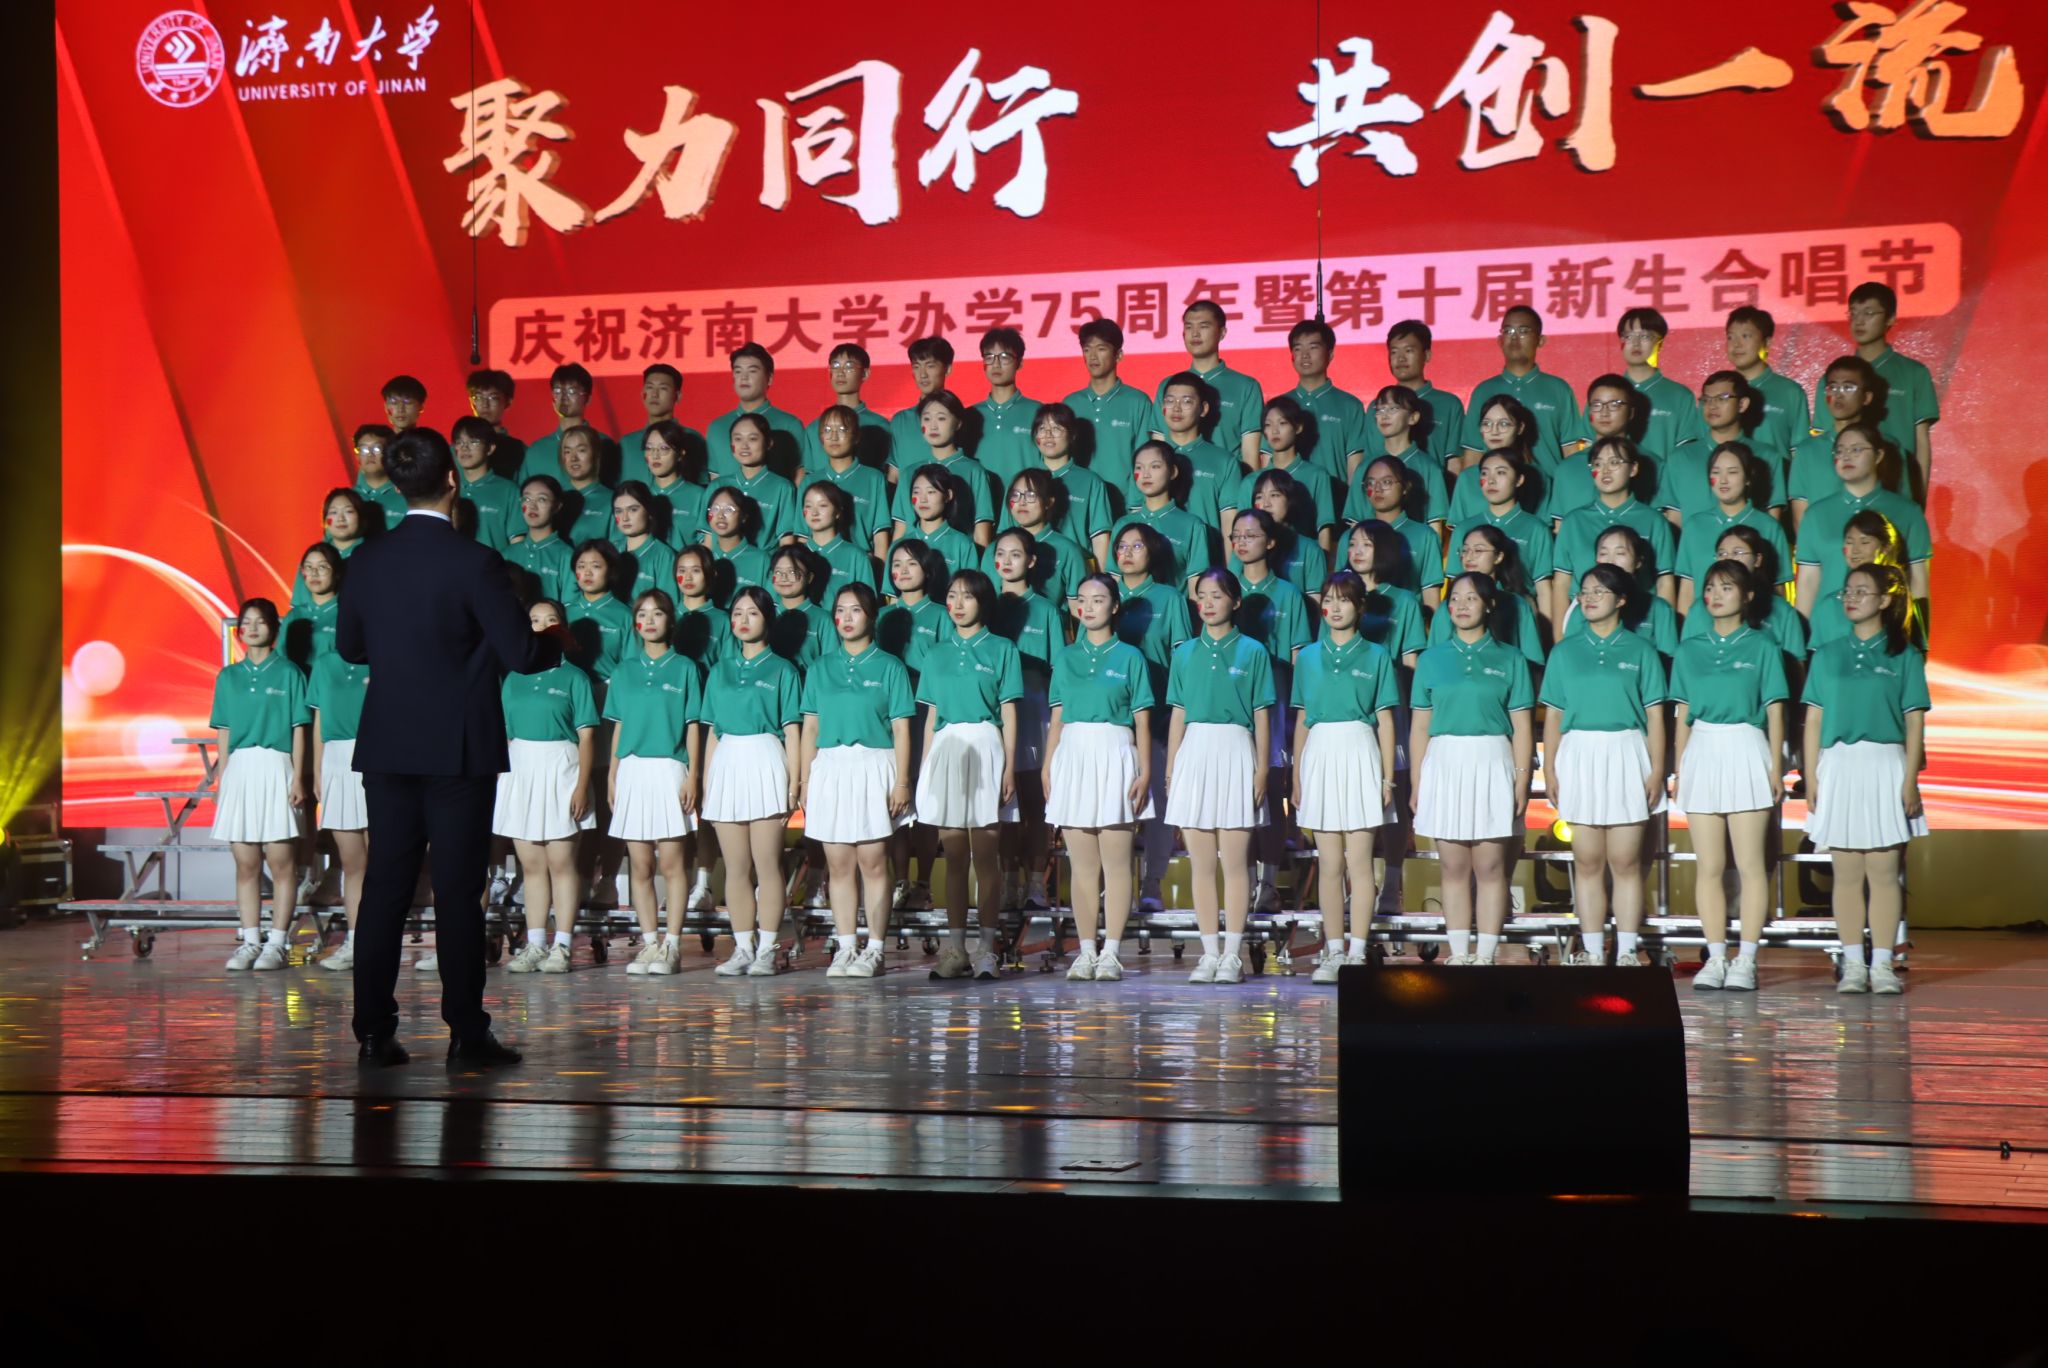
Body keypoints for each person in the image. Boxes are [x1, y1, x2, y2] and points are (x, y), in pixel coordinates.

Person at [336, 427, 558, 1066]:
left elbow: (350, 647)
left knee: (385, 888)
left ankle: (374, 1032)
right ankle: (465, 1031)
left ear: (398, 485)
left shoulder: (368, 560)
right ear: (453, 482)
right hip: (458, 748)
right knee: (458, 892)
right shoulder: (474, 561)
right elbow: (522, 652)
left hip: (389, 744)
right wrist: (558, 640)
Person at [1803, 562, 1929, 995]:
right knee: (1846, 873)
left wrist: (1909, 779)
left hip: (1885, 764)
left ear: (1885, 600)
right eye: (1847, 591)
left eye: (1862, 591)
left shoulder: (1904, 655)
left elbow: (1914, 721)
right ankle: (1853, 963)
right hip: (1839, 765)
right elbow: (1813, 719)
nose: (1851, 598)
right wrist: (1811, 775)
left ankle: (1882, 965)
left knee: (1884, 872)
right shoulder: (1828, 654)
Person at [1542, 565, 1669, 968]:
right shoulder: (1565, 651)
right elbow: (1553, 715)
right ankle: (1594, 951)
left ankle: (1627, 950)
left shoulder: (1641, 650)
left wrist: (1656, 770)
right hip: (1580, 754)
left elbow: (1655, 716)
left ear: (1622, 599)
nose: (1589, 598)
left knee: (1627, 862)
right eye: (1585, 591)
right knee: (1587, 861)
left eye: (1600, 591)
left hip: (1627, 752)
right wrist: (1550, 769)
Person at [1672, 559, 1789, 993]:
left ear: (1748, 595)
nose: (1715, 595)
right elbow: (1683, 714)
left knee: (1751, 865)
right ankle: (1716, 956)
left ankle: (1747, 959)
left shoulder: (1763, 646)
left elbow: (1775, 710)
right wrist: (1680, 768)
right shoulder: (1689, 649)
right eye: (1709, 587)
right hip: (1703, 750)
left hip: (1746, 746)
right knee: (1710, 865)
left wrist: (1775, 766)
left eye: (1726, 587)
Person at [1410, 572, 1534, 966]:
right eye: (1455, 598)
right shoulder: (1431, 660)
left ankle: (1486, 954)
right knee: (1453, 866)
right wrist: (1417, 782)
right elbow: (1420, 727)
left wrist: (1522, 779)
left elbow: (1522, 727)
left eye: (1471, 598)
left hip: (1492, 759)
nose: (1461, 605)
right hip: (1446, 762)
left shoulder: (1510, 658)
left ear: (1489, 605)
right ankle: (1459, 953)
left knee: (1491, 866)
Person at [802, 582, 916, 978]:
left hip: (874, 765)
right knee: (838, 865)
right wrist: (805, 781)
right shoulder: (820, 668)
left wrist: (902, 782)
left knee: (873, 862)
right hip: (831, 767)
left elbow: (901, 729)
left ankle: (876, 949)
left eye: (855, 610)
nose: (846, 618)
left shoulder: (890, 666)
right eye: (840, 610)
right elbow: (810, 727)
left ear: (871, 616)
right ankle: (846, 946)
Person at [1291, 569, 1400, 983]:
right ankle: (1333, 950)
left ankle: (1357, 951)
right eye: (1328, 600)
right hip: (1320, 753)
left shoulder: (1376, 656)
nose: (1335, 608)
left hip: (1359, 750)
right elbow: (1302, 719)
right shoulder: (1308, 657)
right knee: (1330, 863)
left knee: (1359, 862)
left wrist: (1387, 778)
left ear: (1360, 607)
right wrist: (1297, 776)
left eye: (1344, 600)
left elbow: (1385, 721)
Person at [1164, 569, 1273, 984]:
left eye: (1217, 595)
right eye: (1202, 596)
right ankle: (1209, 953)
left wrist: (1262, 768)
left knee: (1236, 863)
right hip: (1195, 751)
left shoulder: (1253, 651)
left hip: (1236, 749)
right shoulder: (1184, 653)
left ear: (1235, 601)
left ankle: (1232, 954)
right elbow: (1178, 713)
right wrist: (1172, 767)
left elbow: (1262, 714)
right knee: (1202, 864)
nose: (1208, 603)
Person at [1044, 574, 1155, 981]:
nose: (1089, 607)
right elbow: (1057, 718)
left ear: (1114, 606)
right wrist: (1048, 766)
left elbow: (1142, 721)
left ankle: (1111, 951)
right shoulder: (1066, 657)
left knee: (1117, 863)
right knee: (1083, 865)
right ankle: (1086, 949)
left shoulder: (1130, 657)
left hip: (1115, 753)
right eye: (1083, 600)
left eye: (1099, 599)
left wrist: (1145, 770)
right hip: (1073, 755)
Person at [916, 569, 1023, 980]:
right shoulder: (935, 654)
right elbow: (931, 718)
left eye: (967, 596)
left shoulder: (1002, 649)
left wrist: (1009, 766)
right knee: (955, 858)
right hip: (947, 748)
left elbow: (1009, 712)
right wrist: (925, 768)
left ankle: (986, 949)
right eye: (952, 595)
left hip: (985, 745)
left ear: (983, 601)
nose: (957, 604)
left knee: (986, 856)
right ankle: (956, 948)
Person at [697, 587, 804, 977]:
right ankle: (742, 947)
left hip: (766, 760)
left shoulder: (783, 670)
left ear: (767, 620)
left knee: (768, 864)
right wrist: (707, 781)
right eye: (737, 613)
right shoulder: (720, 670)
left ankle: (767, 949)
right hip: (728, 762)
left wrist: (794, 783)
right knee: (736, 867)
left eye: (753, 613)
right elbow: (712, 732)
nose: (743, 620)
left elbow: (792, 731)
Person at [494, 598, 598, 975]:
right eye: (534, 620)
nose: (541, 626)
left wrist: (581, 786)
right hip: (521, 770)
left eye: (550, 619)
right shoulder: (513, 677)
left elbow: (587, 737)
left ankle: (563, 945)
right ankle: (535, 943)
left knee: (562, 864)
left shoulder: (575, 678)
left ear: (562, 627)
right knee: (532, 865)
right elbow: (505, 735)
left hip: (561, 769)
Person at [609, 588, 704, 977]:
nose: (649, 620)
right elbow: (618, 726)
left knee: (673, 864)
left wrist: (693, 775)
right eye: (643, 614)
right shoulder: (623, 671)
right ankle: (650, 942)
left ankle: (672, 945)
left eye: (658, 613)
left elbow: (692, 725)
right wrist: (613, 774)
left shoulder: (685, 668)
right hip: (632, 770)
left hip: (669, 768)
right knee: (640, 863)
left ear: (670, 620)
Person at [214, 598, 310, 973]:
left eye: (260, 621)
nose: (252, 628)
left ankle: (278, 943)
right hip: (240, 769)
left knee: (282, 863)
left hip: (276, 766)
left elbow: (298, 729)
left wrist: (297, 776)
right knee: (246, 864)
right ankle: (250, 941)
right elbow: (224, 731)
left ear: (274, 628)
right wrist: (224, 779)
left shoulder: (289, 673)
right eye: (247, 622)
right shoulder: (228, 677)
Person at [1341, 520, 1428, 915]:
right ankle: (1354, 884)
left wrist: (1407, 712)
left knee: (1392, 793)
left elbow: (1410, 663)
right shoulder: (1339, 593)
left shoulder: (1403, 601)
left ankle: (1392, 884)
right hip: (1349, 711)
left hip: (1390, 708)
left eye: (1366, 544)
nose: (1357, 551)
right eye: (1352, 544)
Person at [1229, 509, 1314, 913]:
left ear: (1271, 542)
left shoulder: (1289, 594)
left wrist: (1296, 712)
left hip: (1275, 697)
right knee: (1238, 790)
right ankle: (1243, 882)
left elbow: (1299, 658)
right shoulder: (1225, 587)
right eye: (1236, 536)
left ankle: (1267, 883)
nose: (1242, 542)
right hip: (1233, 700)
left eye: (1251, 535)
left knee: (1273, 787)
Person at [1111, 524, 1194, 915]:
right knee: (1114, 805)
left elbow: (1183, 659)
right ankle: (1115, 886)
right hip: (1113, 716)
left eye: (1137, 546)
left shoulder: (1169, 598)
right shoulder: (1106, 593)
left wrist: (1176, 711)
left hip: (1158, 712)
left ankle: (1152, 882)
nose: (1127, 553)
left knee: (1157, 802)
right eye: (1121, 546)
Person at [989, 528, 1069, 912]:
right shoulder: (986, 605)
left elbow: (1060, 672)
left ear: (1032, 561)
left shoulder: (1047, 610)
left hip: (1035, 710)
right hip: (995, 711)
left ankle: (1036, 882)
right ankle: (1007, 881)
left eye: (1016, 554)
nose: (1006, 561)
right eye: (1000, 553)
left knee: (1035, 801)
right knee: (1003, 803)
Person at [1794, 422, 1931, 627]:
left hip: (1886, 633)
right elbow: (1807, 582)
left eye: (1856, 449)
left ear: (1879, 455)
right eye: (1840, 451)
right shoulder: (1816, 514)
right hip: (1828, 632)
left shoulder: (1907, 512)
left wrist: (1920, 636)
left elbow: (1918, 580)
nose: (1846, 456)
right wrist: (1800, 637)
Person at [876, 539, 949, 914]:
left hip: (925, 712)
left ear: (927, 570)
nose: (902, 571)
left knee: (924, 798)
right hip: (887, 712)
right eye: (896, 564)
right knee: (894, 798)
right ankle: (900, 880)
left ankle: (923, 882)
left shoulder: (940, 614)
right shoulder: (882, 616)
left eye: (911, 564)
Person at [1832, 282, 1938, 500]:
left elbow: (1921, 441)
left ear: (1890, 318)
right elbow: (1827, 437)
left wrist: (1919, 498)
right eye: (1853, 313)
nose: (1859, 321)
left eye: (1869, 313)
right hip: (1845, 491)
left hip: (1898, 487)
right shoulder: (1834, 379)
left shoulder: (1914, 373)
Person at [1553, 437, 1678, 611]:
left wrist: (1665, 623)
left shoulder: (1654, 521)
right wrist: (1562, 629)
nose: (1605, 470)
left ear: (1633, 469)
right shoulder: (1573, 522)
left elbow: (1664, 582)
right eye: (1598, 464)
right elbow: (1561, 584)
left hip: (1639, 616)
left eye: (1614, 463)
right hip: (1585, 618)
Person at [308, 630, 370, 972]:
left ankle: (381, 940)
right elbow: (319, 721)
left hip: (379, 758)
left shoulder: (384, 656)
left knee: (383, 861)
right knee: (352, 862)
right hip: (337, 761)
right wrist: (318, 772)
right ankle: (357, 941)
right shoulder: (325, 664)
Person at [1675, 443, 1792, 621]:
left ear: (1748, 477)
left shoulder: (1769, 526)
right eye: (1716, 472)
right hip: (1704, 627)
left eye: (1732, 472)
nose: (1723, 480)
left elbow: (1777, 588)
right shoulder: (1694, 526)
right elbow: (1687, 589)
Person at [1457, 306, 1580, 468]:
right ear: (1500, 340)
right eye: (1508, 331)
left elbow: (1571, 451)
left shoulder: (1559, 389)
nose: (1514, 338)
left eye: (1523, 331)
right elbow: (1473, 453)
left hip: (1548, 484)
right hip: (1495, 484)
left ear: (1540, 340)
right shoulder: (1483, 391)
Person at [1450, 449, 1555, 629]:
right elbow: (1455, 583)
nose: (1491, 480)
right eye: (1485, 473)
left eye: (1500, 472)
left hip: (1518, 617)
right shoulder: (1464, 528)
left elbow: (1543, 590)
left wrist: (1546, 635)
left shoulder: (1536, 528)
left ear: (1519, 480)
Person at [1061, 320, 1164, 497]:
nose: (1093, 356)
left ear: (1118, 355)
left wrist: (1135, 504)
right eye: (1087, 349)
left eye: (1101, 349)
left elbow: (1145, 456)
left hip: (1124, 503)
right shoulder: (1071, 404)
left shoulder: (1138, 401)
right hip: (1079, 500)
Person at [1788, 356, 1889, 526]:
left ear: (1867, 397)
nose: (1838, 395)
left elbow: (1899, 509)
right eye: (1832, 388)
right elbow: (1801, 520)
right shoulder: (1807, 451)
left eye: (1848, 387)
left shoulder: (1887, 447)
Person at [1162, 300, 1265, 466]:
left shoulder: (1245, 386)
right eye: (1189, 327)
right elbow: (1159, 445)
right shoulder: (1168, 386)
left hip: (1228, 478)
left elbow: (1250, 455)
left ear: (1222, 332)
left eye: (1203, 326)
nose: (1195, 334)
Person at [889, 390, 999, 545]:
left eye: (941, 418)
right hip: (913, 557)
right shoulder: (908, 473)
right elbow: (900, 530)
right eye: (926, 419)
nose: (933, 426)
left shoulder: (974, 471)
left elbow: (981, 536)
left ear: (958, 423)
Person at [1432, 526, 1547, 671]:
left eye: (1478, 550)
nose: (1469, 557)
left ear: (1499, 556)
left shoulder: (1518, 604)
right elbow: (1434, 659)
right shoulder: (1448, 607)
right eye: (1465, 550)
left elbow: (1533, 662)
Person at [1153, 371, 1247, 546]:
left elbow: (1230, 526)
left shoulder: (1224, 462)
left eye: (1186, 401)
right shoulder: (1146, 460)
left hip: (1208, 560)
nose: (1176, 408)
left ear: (1203, 409)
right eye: (1170, 401)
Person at [1110, 441, 1214, 594]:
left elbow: (1196, 587)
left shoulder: (1192, 525)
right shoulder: (1123, 524)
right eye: (1139, 468)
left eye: (1155, 466)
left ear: (1173, 472)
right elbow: (1114, 580)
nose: (1145, 474)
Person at [1017, 403, 1115, 565]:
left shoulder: (1091, 482)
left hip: (1077, 568)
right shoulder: (1021, 481)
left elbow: (1100, 538)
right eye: (1042, 429)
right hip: (1028, 568)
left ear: (1072, 435)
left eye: (1056, 428)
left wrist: (1101, 577)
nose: (1048, 435)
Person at [1245, 395, 1340, 555]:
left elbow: (1324, 529)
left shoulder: (1317, 475)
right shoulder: (1251, 481)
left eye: (1282, 423)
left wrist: (1322, 564)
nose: (1274, 431)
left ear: (1298, 427)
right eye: (1268, 425)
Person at [1804, 510, 1908, 654]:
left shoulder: (1897, 603)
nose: (1855, 550)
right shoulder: (1828, 606)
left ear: (1885, 548)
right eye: (1849, 542)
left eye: (1865, 542)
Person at [1281, 319, 1371, 484]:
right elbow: (1267, 462)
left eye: (1313, 347)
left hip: (1335, 496)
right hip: (1287, 497)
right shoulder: (1279, 406)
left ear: (1330, 354)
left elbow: (1355, 467)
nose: (1305, 355)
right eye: (1298, 348)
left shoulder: (1350, 406)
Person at [1350, 384, 1449, 530]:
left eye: (1393, 409)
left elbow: (1436, 524)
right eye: (1379, 410)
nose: (1384, 416)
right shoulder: (1365, 467)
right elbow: (1355, 521)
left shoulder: (1430, 468)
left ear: (1413, 417)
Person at [986, 469, 1087, 612]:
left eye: (1031, 495)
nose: (1022, 502)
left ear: (1049, 502)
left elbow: (1077, 610)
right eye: (1015, 495)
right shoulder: (993, 549)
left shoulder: (1068, 550)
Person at [705, 343, 805, 484]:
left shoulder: (789, 424)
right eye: (738, 371)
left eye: (752, 371)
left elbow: (799, 476)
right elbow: (714, 478)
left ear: (769, 378)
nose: (744, 377)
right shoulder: (717, 427)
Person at [1723, 307, 1810, 469]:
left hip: (1777, 482)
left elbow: (1801, 452)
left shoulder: (1790, 392)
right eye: (1730, 337)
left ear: (1767, 342)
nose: (1736, 344)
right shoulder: (1717, 393)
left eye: (1746, 336)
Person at [1354, 458, 1445, 611]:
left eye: (1386, 482)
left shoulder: (1425, 536)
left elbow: (1431, 596)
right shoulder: (1351, 538)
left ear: (1405, 487)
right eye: (1371, 483)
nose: (1377, 489)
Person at [1443, 394, 1545, 530]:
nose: (1494, 431)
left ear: (1520, 428)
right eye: (1487, 424)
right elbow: (1458, 530)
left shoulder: (1538, 476)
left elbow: (1542, 529)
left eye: (1504, 424)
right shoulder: (1467, 478)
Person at [806, 404, 892, 559]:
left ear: (856, 436)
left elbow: (880, 535)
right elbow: (802, 535)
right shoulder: (810, 481)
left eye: (842, 429)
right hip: (817, 563)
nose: (833, 436)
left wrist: (878, 570)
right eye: (827, 430)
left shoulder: (874, 478)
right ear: (820, 438)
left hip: (861, 563)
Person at [1695, 372, 1785, 518]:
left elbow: (1773, 519)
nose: (1712, 405)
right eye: (1706, 399)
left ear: (1742, 404)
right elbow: (1675, 518)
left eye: (1722, 398)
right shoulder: (1680, 457)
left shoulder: (1767, 456)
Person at [803, 345, 894, 487]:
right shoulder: (814, 428)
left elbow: (889, 476)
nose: (840, 373)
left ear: (865, 374)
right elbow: (808, 476)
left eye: (849, 366)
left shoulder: (880, 426)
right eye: (835, 366)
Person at [1385, 319, 1466, 470]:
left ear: (1427, 355)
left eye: (1408, 351)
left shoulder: (1449, 405)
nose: (1400, 358)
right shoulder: (1377, 408)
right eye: (1394, 352)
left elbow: (1454, 462)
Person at [971, 327, 1044, 486]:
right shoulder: (970, 415)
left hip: (1026, 499)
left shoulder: (1038, 411)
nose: (996, 364)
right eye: (989, 357)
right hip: (982, 501)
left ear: (1020, 363)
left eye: (1004, 357)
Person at [519, 363, 614, 486]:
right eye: (558, 391)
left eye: (571, 391)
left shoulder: (604, 445)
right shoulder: (536, 451)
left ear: (588, 398)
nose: (564, 397)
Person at [1243, 470, 1330, 596]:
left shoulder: (1310, 550)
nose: (1266, 504)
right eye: (1259, 497)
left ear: (1290, 500)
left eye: (1274, 495)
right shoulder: (1244, 547)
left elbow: (1316, 602)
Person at [721, 413, 799, 549]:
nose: (744, 446)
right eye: (738, 439)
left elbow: (786, 540)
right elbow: (708, 539)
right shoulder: (718, 486)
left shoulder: (783, 488)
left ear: (768, 443)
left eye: (752, 439)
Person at [618, 363, 702, 489]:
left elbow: (702, 483)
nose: (654, 394)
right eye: (650, 387)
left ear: (677, 396)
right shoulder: (627, 443)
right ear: (642, 394)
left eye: (663, 388)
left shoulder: (691, 438)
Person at [799, 479, 880, 609]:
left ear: (837, 512)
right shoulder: (795, 555)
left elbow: (868, 606)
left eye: (823, 505)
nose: (814, 512)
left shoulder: (857, 557)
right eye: (808, 506)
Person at [564, 540, 633, 685]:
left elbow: (631, 667)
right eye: (581, 566)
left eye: (596, 566)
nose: (587, 572)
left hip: (608, 692)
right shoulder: (564, 612)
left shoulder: (626, 616)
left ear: (611, 570)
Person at [888, 336, 954, 484]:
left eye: (930, 366)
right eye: (916, 366)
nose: (922, 374)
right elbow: (894, 475)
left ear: (948, 368)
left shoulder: (958, 418)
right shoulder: (901, 420)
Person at [503, 475, 575, 605]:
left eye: (542, 499)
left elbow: (570, 605)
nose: (532, 506)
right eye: (527, 499)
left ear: (557, 506)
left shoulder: (567, 555)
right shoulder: (506, 554)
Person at [452, 416, 521, 549]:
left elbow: (517, 544)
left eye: (473, 442)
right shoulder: (447, 489)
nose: (465, 448)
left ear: (490, 448)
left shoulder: (509, 491)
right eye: (459, 442)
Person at [640, 418, 708, 549]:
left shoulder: (699, 496)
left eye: (664, 448)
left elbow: (706, 545)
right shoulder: (640, 495)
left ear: (680, 454)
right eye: (649, 448)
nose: (655, 455)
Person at [701, 486, 773, 598]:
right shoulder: (702, 559)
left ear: (743, 517)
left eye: (729, 510)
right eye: (715, 509)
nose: (720, 516)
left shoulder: (761, 560)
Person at [610, 482, 677, 602]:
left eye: (633, 510)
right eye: (619, 511)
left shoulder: (664, 556)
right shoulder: (612, 550)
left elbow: (668, 605)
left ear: (649, 512)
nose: (625, 518)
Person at [284, 543, 344, 671]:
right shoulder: (294, 615)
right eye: (309, 567)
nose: (314, 573)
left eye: (322, 567)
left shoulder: (346, 614)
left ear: (337, 572)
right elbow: (281, 661)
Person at [555, 425, 615, 548]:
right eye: (567, 452)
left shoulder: (612, 500)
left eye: (581, 450)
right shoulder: (554, 497)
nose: (573, 458)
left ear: (595, 454)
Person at [467, 368, 526, 480]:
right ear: (472, 402)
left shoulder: (518, 450)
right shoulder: (459, 448)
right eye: (478, 397)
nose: (485, 404)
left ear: (508, 401)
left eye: (493, 398)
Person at [352, 423, 406, 532]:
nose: (370, 454)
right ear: (357, 456)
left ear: (390, 453)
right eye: (363, 449)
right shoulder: (348, 499)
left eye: (377, 449)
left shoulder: (407, 496)